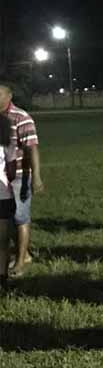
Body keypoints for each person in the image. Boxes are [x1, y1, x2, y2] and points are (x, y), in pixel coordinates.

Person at [0, 82, 44, 277]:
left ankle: (21, 260)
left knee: (20, 218)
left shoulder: (21, 117)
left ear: (9, 96)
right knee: (5, 220)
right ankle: (17, 254)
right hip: (1, 179)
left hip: (19, 176)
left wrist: (36, 177)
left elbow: (32, 148)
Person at [0, 113, 17, 291]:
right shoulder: (7, 143)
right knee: (2, 243)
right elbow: (12, 171)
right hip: (2, 195)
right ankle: (2, 279)